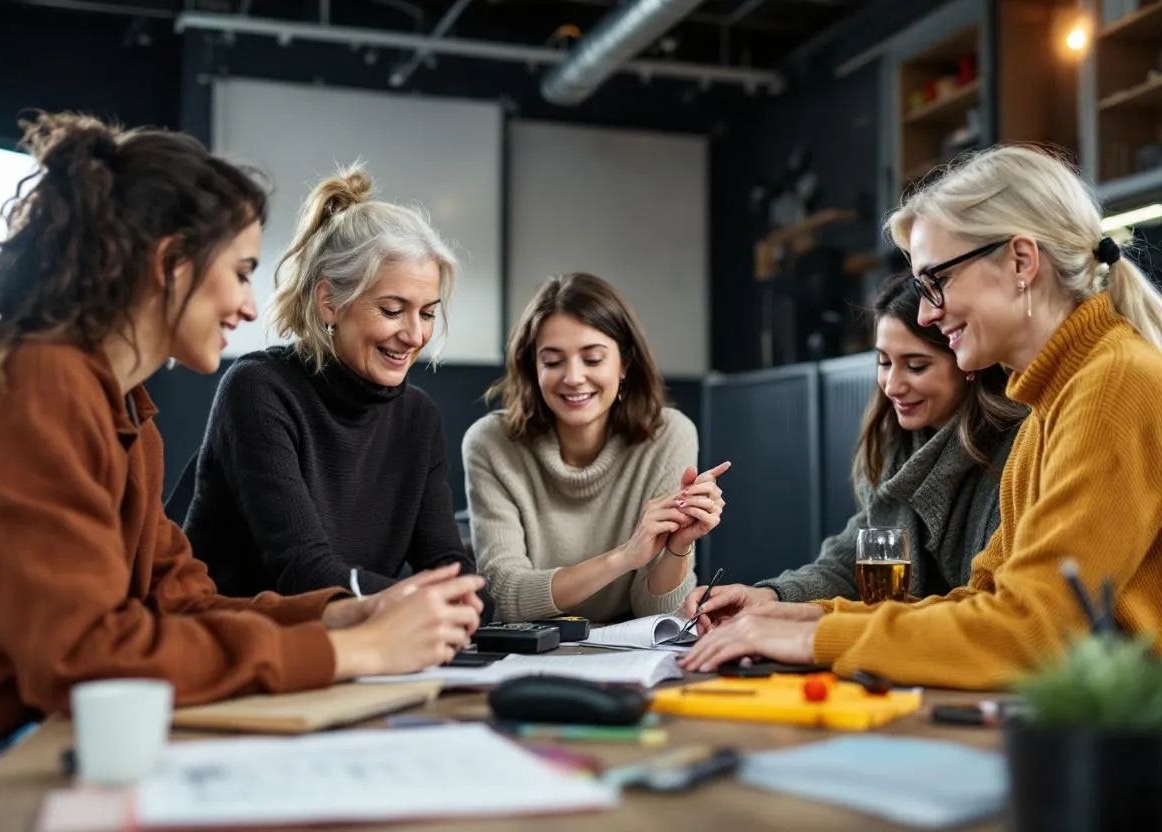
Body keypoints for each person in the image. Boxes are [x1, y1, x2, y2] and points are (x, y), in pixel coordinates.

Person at [0, 114, 482, 778]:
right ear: (169, 264)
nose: (250, 308)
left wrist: (346, 616)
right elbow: (85, 659)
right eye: (240, 271)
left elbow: (184, 601)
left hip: (47, 728)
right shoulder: (40, 386)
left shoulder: (127, 412)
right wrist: (355, 653)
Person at [681, 145, 1162, 689]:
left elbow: (1029, 634)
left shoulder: (1113, 384)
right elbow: (985, 602)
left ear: (1022, 262)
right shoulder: (1053, 401)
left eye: (938, 281)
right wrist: (807, 616)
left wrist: (812, 639)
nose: (929, 311)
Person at [184, 167, 489, 616]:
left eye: (427, 313)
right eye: (391, 310)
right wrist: (428, 603)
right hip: (239, 647)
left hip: (354, 644)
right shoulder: (258, 390)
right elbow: (304, 573)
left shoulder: (418, 417)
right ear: (329, 302)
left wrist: (468, 598)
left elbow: (446, 561)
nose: (414, 334)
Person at [681, 274, 1022, 624]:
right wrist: (769, 595)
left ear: (968, 362)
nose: (892, 385)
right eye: (884, 362)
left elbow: (992, 606)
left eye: (916, 366)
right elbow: (848, 566)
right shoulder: (895, 448)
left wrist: (811, 622)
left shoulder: (1016, 450)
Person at [463, 272, 727, 623]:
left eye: (592, 359)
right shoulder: (490, 443)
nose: (572, 377)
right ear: (532, 368)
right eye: (553, 361)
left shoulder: (669, 435)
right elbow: (506, 596)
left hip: (627, 658)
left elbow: (659, 614)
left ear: (624, 364)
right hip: (526, 651)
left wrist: (677, 547)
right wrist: (624, 557)